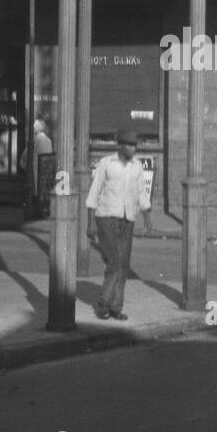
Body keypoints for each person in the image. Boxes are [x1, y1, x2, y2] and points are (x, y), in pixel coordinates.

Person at [86, 127, 152, 321]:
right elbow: (94, 192)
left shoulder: (137, 166)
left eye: (134, 145)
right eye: (129, 145)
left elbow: (141, 193)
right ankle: (104, 304)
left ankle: (116, 307)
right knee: (114, 261)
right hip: (106, 216)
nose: (132, 149)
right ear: (120, 145)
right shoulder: (106, 164)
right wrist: (90, 223)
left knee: (123, 264)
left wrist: (147, 217)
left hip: (127, 218)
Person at [21, 117, 53, 214]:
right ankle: (43, 208)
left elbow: (26, 155)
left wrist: (23, 164)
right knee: (43, 190)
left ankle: (34, 209)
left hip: (36, 168)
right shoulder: (48, 140)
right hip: (46, 169)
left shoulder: (35, 139)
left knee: (35, 190)